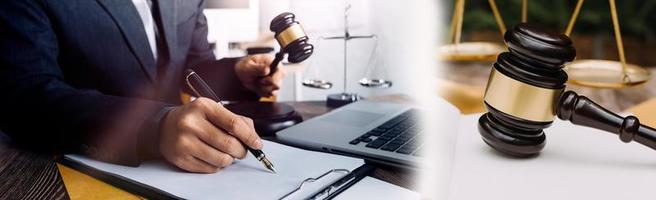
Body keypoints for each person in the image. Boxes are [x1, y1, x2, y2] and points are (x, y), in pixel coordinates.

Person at [0, 0, 284, 173]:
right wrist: (155, 126)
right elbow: (26, 95)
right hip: (65, 166)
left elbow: (192, 65)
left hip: (185, 168)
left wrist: (236, 74)